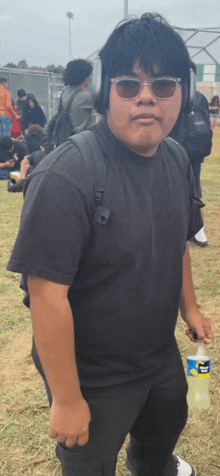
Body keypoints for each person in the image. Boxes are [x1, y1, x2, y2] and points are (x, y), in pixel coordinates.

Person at [7, 13, 214, 476]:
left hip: (159, 355)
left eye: (162, 85)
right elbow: (45, 295)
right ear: (104, 92)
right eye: (127, 85)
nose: (146, 97)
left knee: (158, 445)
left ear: (182, 92)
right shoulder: (66, 175)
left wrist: (190, 308)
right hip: (93, 374)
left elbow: (176, 238)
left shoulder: (177, 157)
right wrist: (66, 398)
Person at [170, 68, 213, 247]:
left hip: (178, 149)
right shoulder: (200, 96)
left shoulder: (173, 94)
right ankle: (198, 232)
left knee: (173, 190)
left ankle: (180, 232)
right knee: (194, 187)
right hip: (197, 150)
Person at [61, 59, 93, 133]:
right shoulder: (85, 97)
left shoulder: (64, 94)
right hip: (81, 139)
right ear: (85, 77)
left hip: (66, 137)